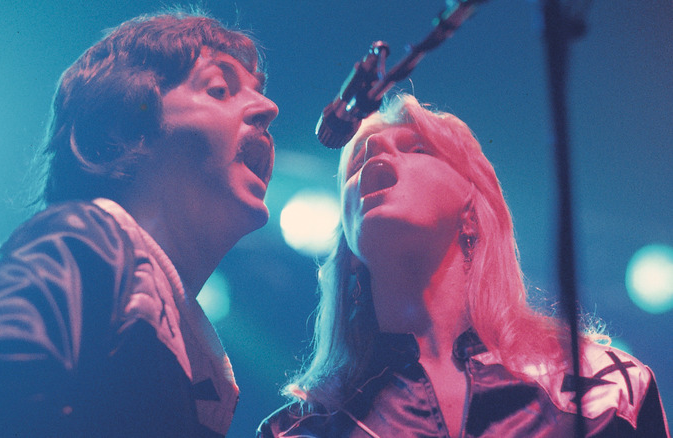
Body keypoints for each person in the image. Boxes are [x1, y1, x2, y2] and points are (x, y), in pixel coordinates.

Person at [0, 8, 278, 438]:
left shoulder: (187, 338)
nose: (268, 108)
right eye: (219, 89)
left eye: (258, 92)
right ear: (131, 124)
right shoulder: (87, 237)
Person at [258, 93, 669, 437]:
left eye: (416, 148)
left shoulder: (606, 390)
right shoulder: (300, 430)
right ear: (347, 248)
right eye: (358, 161)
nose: (377, 154)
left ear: (472, 212)